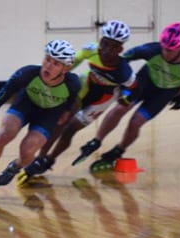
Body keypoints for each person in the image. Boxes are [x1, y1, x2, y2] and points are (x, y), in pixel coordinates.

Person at [0, 40, 81, 204]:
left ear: (65, 69)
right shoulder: (26, 74)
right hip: (25, 105)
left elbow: (72, 100)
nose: (48, 66)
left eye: (56, 63)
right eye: (47, 59)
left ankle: (15, 166)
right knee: (3, 136)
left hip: (48, 114)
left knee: (28, 151)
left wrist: (66, 112)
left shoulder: (73, 83)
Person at [15, 20, 138, 184]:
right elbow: (68, 66)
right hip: (85, 86)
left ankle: (50, 159)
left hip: (103, 98)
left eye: (113, 46)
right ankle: (40, 158)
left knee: (70, 129)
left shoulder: (124, 71)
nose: (107, 50)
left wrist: (126, 97)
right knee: (60, 122)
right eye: (105, 43)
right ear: (100, 40)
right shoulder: (91, 50)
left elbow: (134, 88)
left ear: (120, 49)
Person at [74, 22, 180, 172]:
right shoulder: (153, 49)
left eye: (170, 50)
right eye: (163, 47)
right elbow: (127, 56)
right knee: (121, 107)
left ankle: (119, 150)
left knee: (136, 122)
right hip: (144, 82)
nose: (165, 52)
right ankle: (96, 141)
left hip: (162, 94)